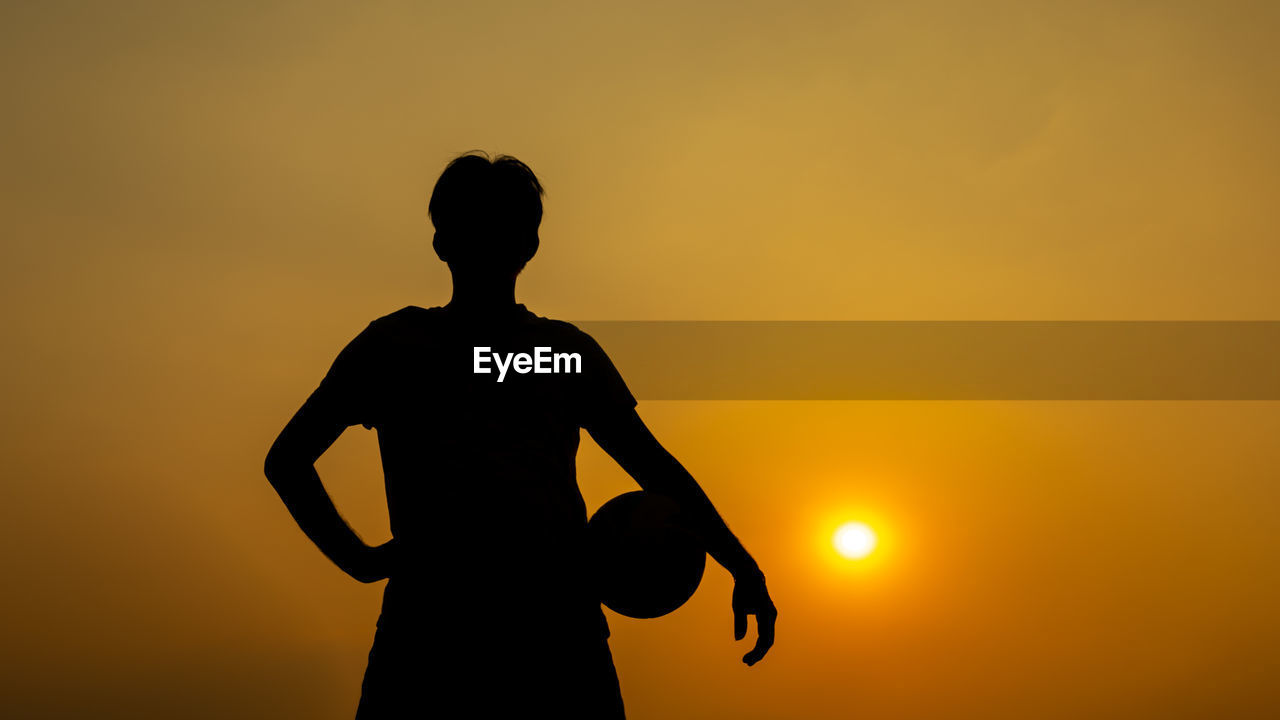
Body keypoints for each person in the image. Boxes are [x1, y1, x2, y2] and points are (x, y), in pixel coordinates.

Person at [263, 151, 777, 718]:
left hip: (483, 635)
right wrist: (740, 564)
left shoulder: (404, 347)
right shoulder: (546, 354)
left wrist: (359, 560)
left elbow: (286, 460)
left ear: (440, 242)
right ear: (529, 246)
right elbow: (654, 466)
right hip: (498, 639)